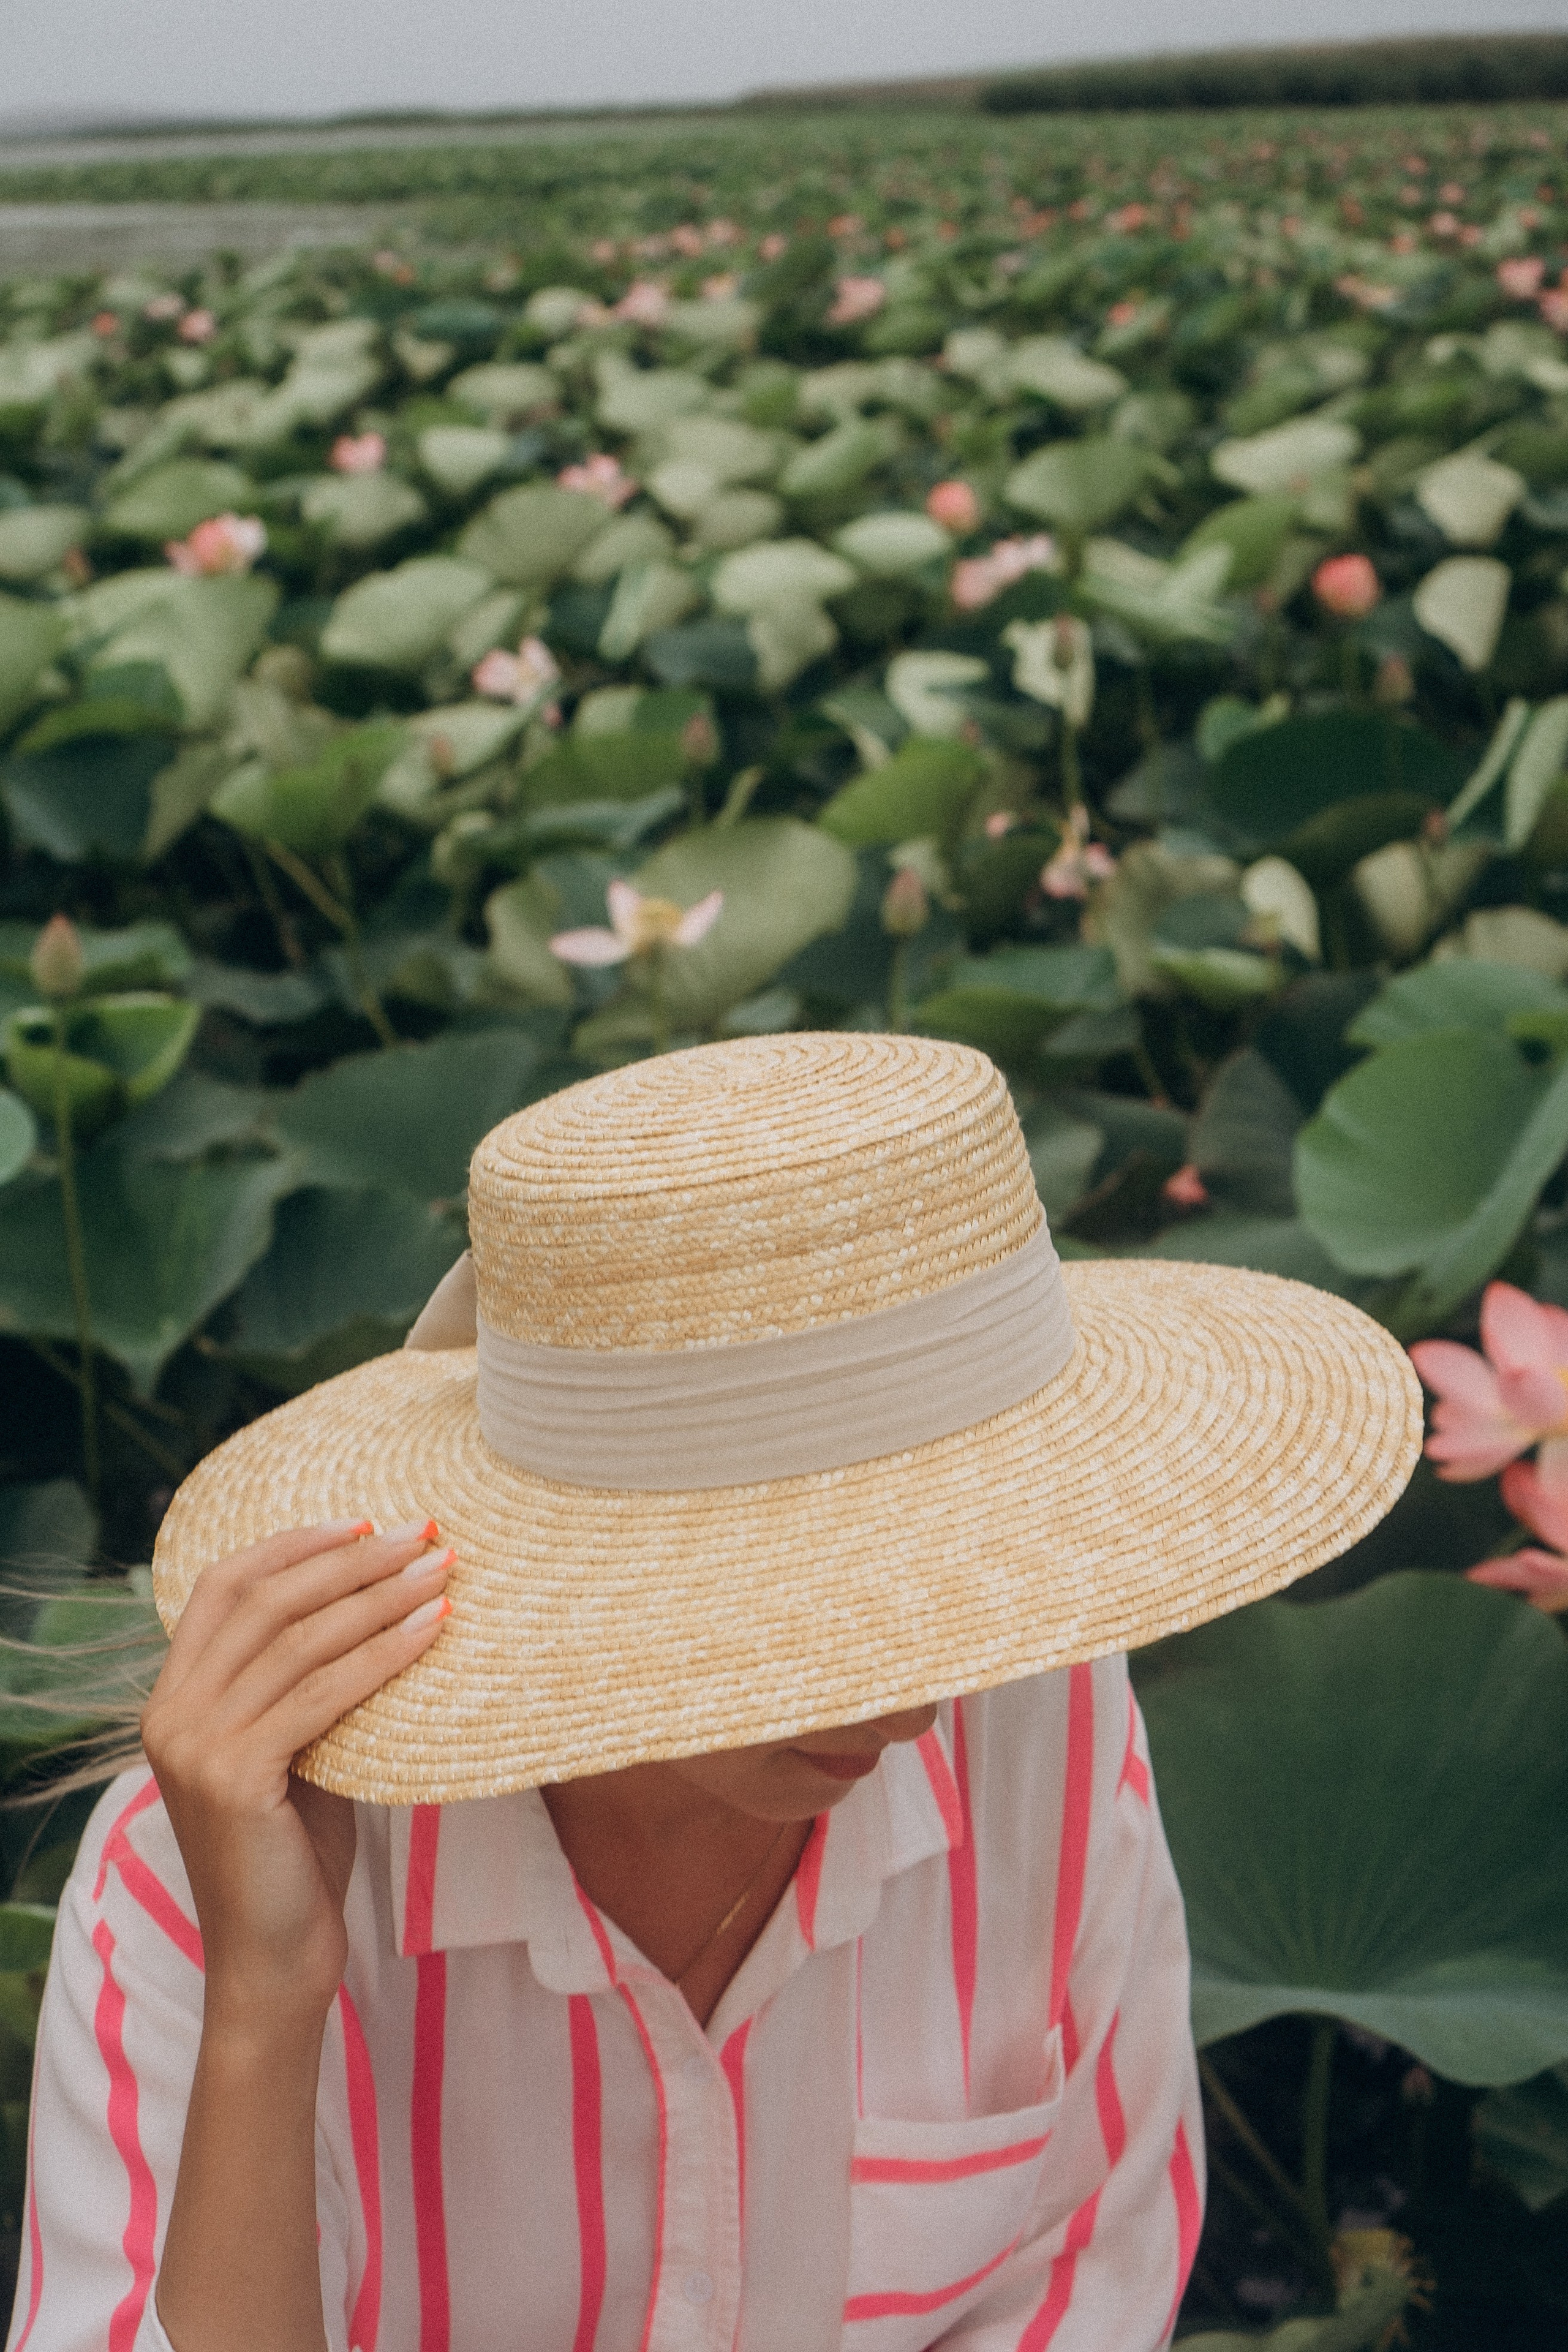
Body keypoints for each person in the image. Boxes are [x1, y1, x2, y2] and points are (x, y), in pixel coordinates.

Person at [6, 1033, 1420, 2352]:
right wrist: (270, 2000)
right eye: (791, 1603)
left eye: (958, 1566)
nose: (910, 1698)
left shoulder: (1039, 1718)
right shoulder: (199, 1880)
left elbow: (1079, 2280)